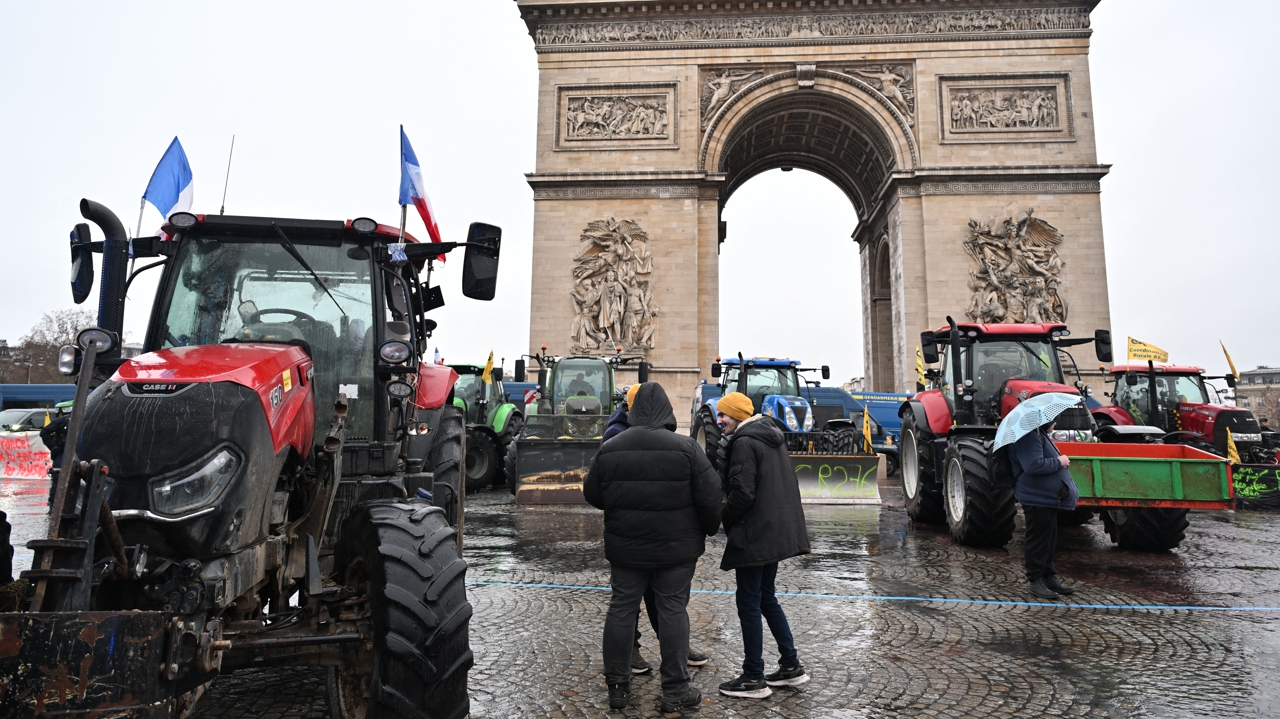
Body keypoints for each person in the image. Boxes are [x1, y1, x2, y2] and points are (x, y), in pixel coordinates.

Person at [584, 383, 723, 713]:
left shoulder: (611, 447)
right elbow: (711, 497)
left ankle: (617, 688)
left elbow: (593, 494)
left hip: (626, 548)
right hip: (676, 549)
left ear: (633, 411)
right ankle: (675, 691)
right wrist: (706, 530)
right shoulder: (687, 449)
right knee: (673, 611)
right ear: (666, 411)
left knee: (621, 609)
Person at [714, 392, 812, 700]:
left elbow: (742, 494)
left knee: (749, 604)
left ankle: (753, 677)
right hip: (775, 531)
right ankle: (791, 666)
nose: (719, 421)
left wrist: (723, 520)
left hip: (755, 534)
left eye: (724, 415)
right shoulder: (771, 436)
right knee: (767, 599)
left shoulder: (744, 442)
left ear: (738, 417)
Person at [1010, 419, 1080, 599]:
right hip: (1037, 498)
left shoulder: (1038, 435)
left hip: (1047, 499)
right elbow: (1033, 465)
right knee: (1038, 540)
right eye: (1053, 421)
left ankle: (1049, 577)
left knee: (1048, 540)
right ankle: (1036, 581)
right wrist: (1059, 461)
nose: (1055, 424)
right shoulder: (1028, 437)